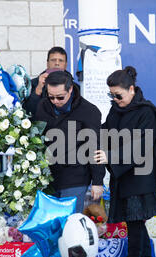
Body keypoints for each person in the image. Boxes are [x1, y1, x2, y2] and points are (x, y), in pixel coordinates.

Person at [94, 66, 156, 257]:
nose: (115, 99)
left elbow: (142, 145)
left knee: (137, 224)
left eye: (118, 95)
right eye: (111, 95)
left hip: (141, 178)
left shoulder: (146, 112)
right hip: (125, 176)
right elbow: (107, 131)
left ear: (131, 89)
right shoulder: (116, 109)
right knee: (136, 224)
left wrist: (111, 156)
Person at [33, 70, 104, 213]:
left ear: (70, 89)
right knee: (50, 225)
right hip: (48, 176)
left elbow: (94, 147)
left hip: (75, 176)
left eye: (60, 97)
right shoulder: (43, 106)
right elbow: (37, 138)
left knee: (69, 224)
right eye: (51, 97)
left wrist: (97, 181)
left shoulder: (89, 111)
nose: (55, 102)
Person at [25, 47, 69, 116]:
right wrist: (38, 90)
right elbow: (27, 114)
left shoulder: (74, 87)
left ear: (65, 65)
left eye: (61, 60)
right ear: (47, 63)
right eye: (53, 60)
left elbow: (76, 116)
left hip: (65, 126)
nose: (57, 63)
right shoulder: (32, 84)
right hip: (42, 126)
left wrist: (71, 127)